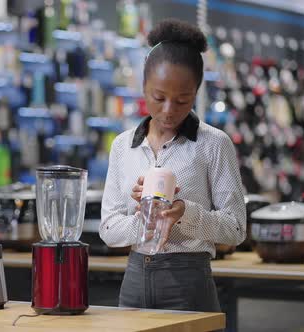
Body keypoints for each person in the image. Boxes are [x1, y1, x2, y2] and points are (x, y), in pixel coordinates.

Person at [99, 18, 246, 312]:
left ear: (197, 92)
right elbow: (108, 228)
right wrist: (144, 219)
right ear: (143, 87)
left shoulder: (214, 144)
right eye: (158, 97)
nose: (168, 111)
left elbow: (236, 228)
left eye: (182, 100)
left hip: (189, 282)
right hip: (134, 281)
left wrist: (184, 213)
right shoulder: (123, 146)